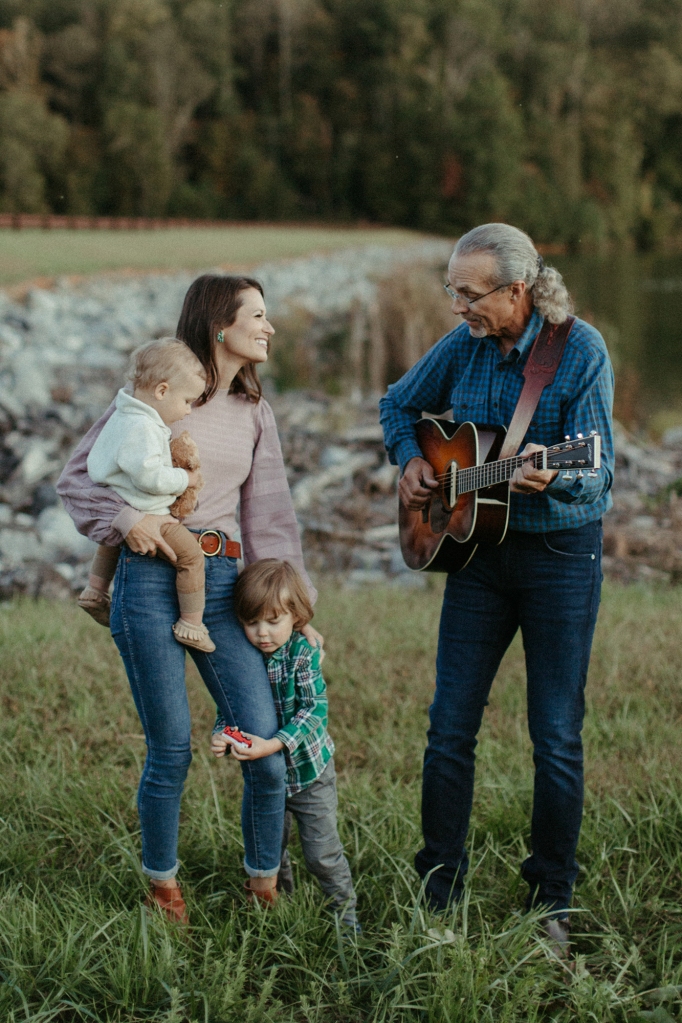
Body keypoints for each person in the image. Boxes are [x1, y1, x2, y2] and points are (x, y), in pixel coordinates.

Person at [57, 275, 322, 924]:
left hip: (227, 582)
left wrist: (301, 612)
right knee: (172, 744)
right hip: (149, 578)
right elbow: (77, 479)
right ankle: (162, 887)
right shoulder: (157, 398)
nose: (270, 327)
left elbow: (272, 521)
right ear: (219, 327)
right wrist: (126, 522)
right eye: (258, 316)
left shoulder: (255, 412)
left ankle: (263, 886)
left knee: (258, 737)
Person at [379, 223, 614, 951]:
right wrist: (411, 460)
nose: (457, 307)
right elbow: (398, 402)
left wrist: (559, 471)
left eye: (470, 294)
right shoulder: (465, 347)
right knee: (449, 727)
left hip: (558, 558)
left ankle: (553, 899)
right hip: (478, 560)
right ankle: (438, 889)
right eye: (452, 291)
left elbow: (599, 469)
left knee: (554, 735)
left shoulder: (580, 351)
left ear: (518, 291)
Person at [211, 558, 359, 928]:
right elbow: (231, 703)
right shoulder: (245, 658)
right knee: (271, 849)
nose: (263, 633)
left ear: (296, 616)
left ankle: (346, 922)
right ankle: (284, 909)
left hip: (310, 773)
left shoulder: (302, 652)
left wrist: (273, 745)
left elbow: (314, 711)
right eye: (251, 622)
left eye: (273, 621)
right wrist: (223, 733)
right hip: (266, 778)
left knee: (321, 854)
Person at [78, 337, 215, 653]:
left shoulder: (122, 415)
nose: (188, 411)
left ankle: (95, 590)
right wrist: (186, 477)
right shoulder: (143, 426)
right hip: (149, 511)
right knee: (192, 558)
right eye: (186, 401)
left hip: (120, 504)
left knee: (110, 543)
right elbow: (150, 477)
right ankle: (192, 625)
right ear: (162, 391)